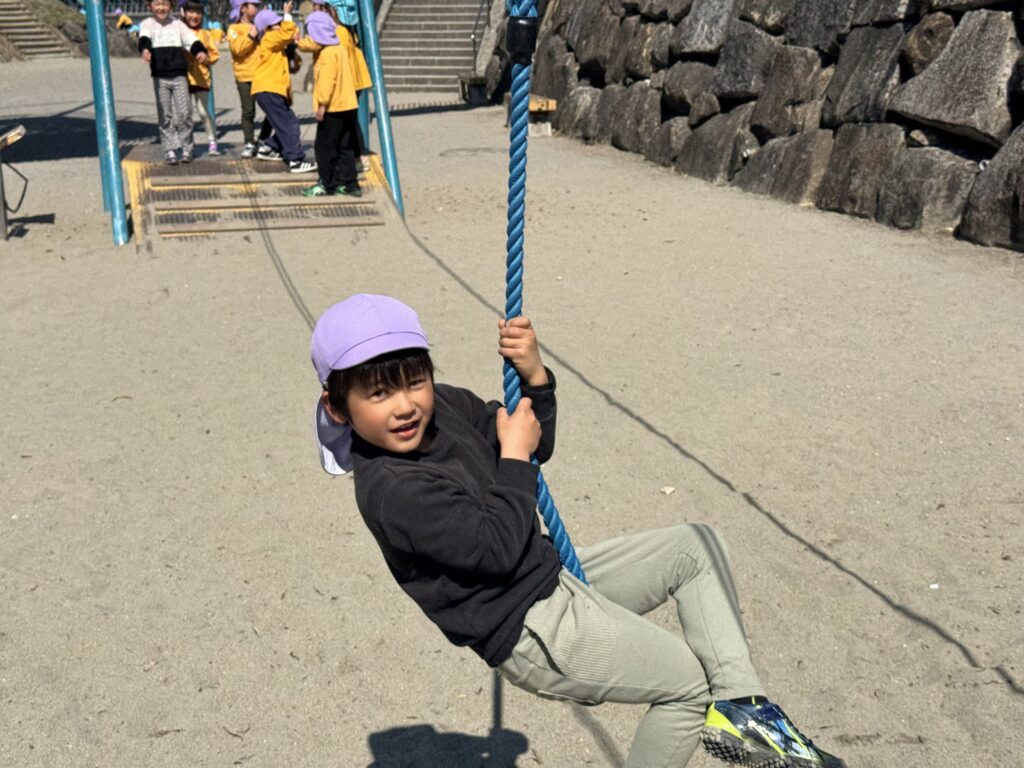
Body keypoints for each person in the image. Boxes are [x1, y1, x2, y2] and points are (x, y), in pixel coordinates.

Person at [309, 294, 847, 768]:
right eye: (379, 394)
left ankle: (745, 710)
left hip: (549, 573)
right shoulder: (392, 489)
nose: (405, 405)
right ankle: (723, 707)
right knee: (688, 684)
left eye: (415, 382)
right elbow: (495, 548)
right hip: (525, 624)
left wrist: (536, 378)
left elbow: (532, 442)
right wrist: (513, 455)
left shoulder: (444, 405)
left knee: (695, 546)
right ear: (338, 406)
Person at [138, 0, 209, 165]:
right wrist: (145, 50)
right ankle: (170, 148)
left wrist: (200, 51)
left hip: (179, 76)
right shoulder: (147, 24)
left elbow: (191, 40)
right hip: (160, 76)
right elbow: (144, 39)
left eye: (165, 4)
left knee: (184, 113)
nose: (161, 8)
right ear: (150, 6)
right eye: (157, 4)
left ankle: (187, 147)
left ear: (171, 6)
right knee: (165, 114)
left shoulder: (178, 25)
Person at [300, 11, 361, 197]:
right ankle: (350, 184)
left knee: (324, 147)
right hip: (347, 104)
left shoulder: (326, 54)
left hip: (333, 107)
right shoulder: (339, 48)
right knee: (344, 146)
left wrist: (322, 105)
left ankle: (327, 183)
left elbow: (327, 82)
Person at [249, 2, 316, 173]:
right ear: (267, 28)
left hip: (270, 89)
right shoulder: (269, 38)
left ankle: (269, 147)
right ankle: (295, 159)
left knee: (284, 123)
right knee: (289, 123)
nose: (280, 25)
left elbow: (293, 66)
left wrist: (292, 51)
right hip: (268, 88)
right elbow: (287, 32)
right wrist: (287, 14)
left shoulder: (276, 45)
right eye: (277, 24)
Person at [227, 0, 272, 158]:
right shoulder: (234, 28)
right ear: (243, 8)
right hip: (244, 75)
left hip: (262, 73)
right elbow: (238, 50)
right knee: (248, 111)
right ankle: (249, 142)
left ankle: (263, 139)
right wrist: (253, 33)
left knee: (272, 109)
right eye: (254, 5)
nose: (257, 8)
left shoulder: (261, 26)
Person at [180, 0, 222, 156]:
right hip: (183, 78)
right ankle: (187, 145)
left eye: (198, 12)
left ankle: (212, 141)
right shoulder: (179, 31)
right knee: (184, 114)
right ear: (184, 13)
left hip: (201, 78)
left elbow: (215, 54)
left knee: (203, 112)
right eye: (191, 12)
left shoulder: (206, 34)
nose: (194, 16)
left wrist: (207, 58)